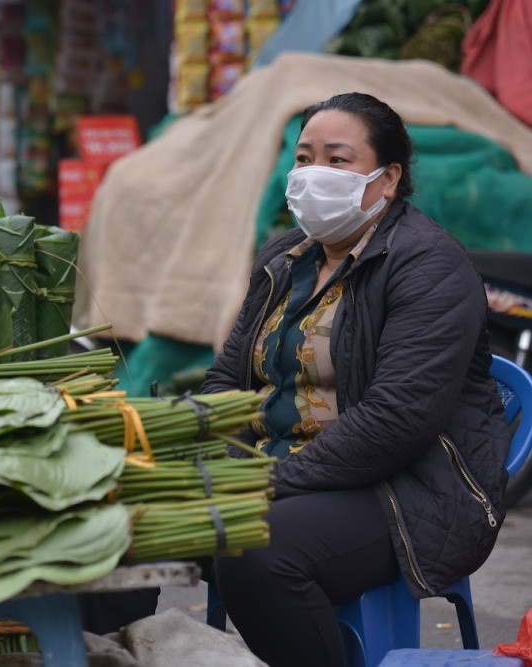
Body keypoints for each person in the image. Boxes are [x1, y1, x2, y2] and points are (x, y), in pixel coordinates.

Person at [199, 92, 510, 666]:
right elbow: (227, 379)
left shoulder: (429, 265)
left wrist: (271, 482)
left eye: (337, 160)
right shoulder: (284, 256)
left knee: (258, 549)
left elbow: (398, 418)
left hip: (403, 486)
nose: (315, 174)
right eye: (304, 158)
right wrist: (209, 461)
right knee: (113, 528)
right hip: (278, 468)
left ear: (387, 178)